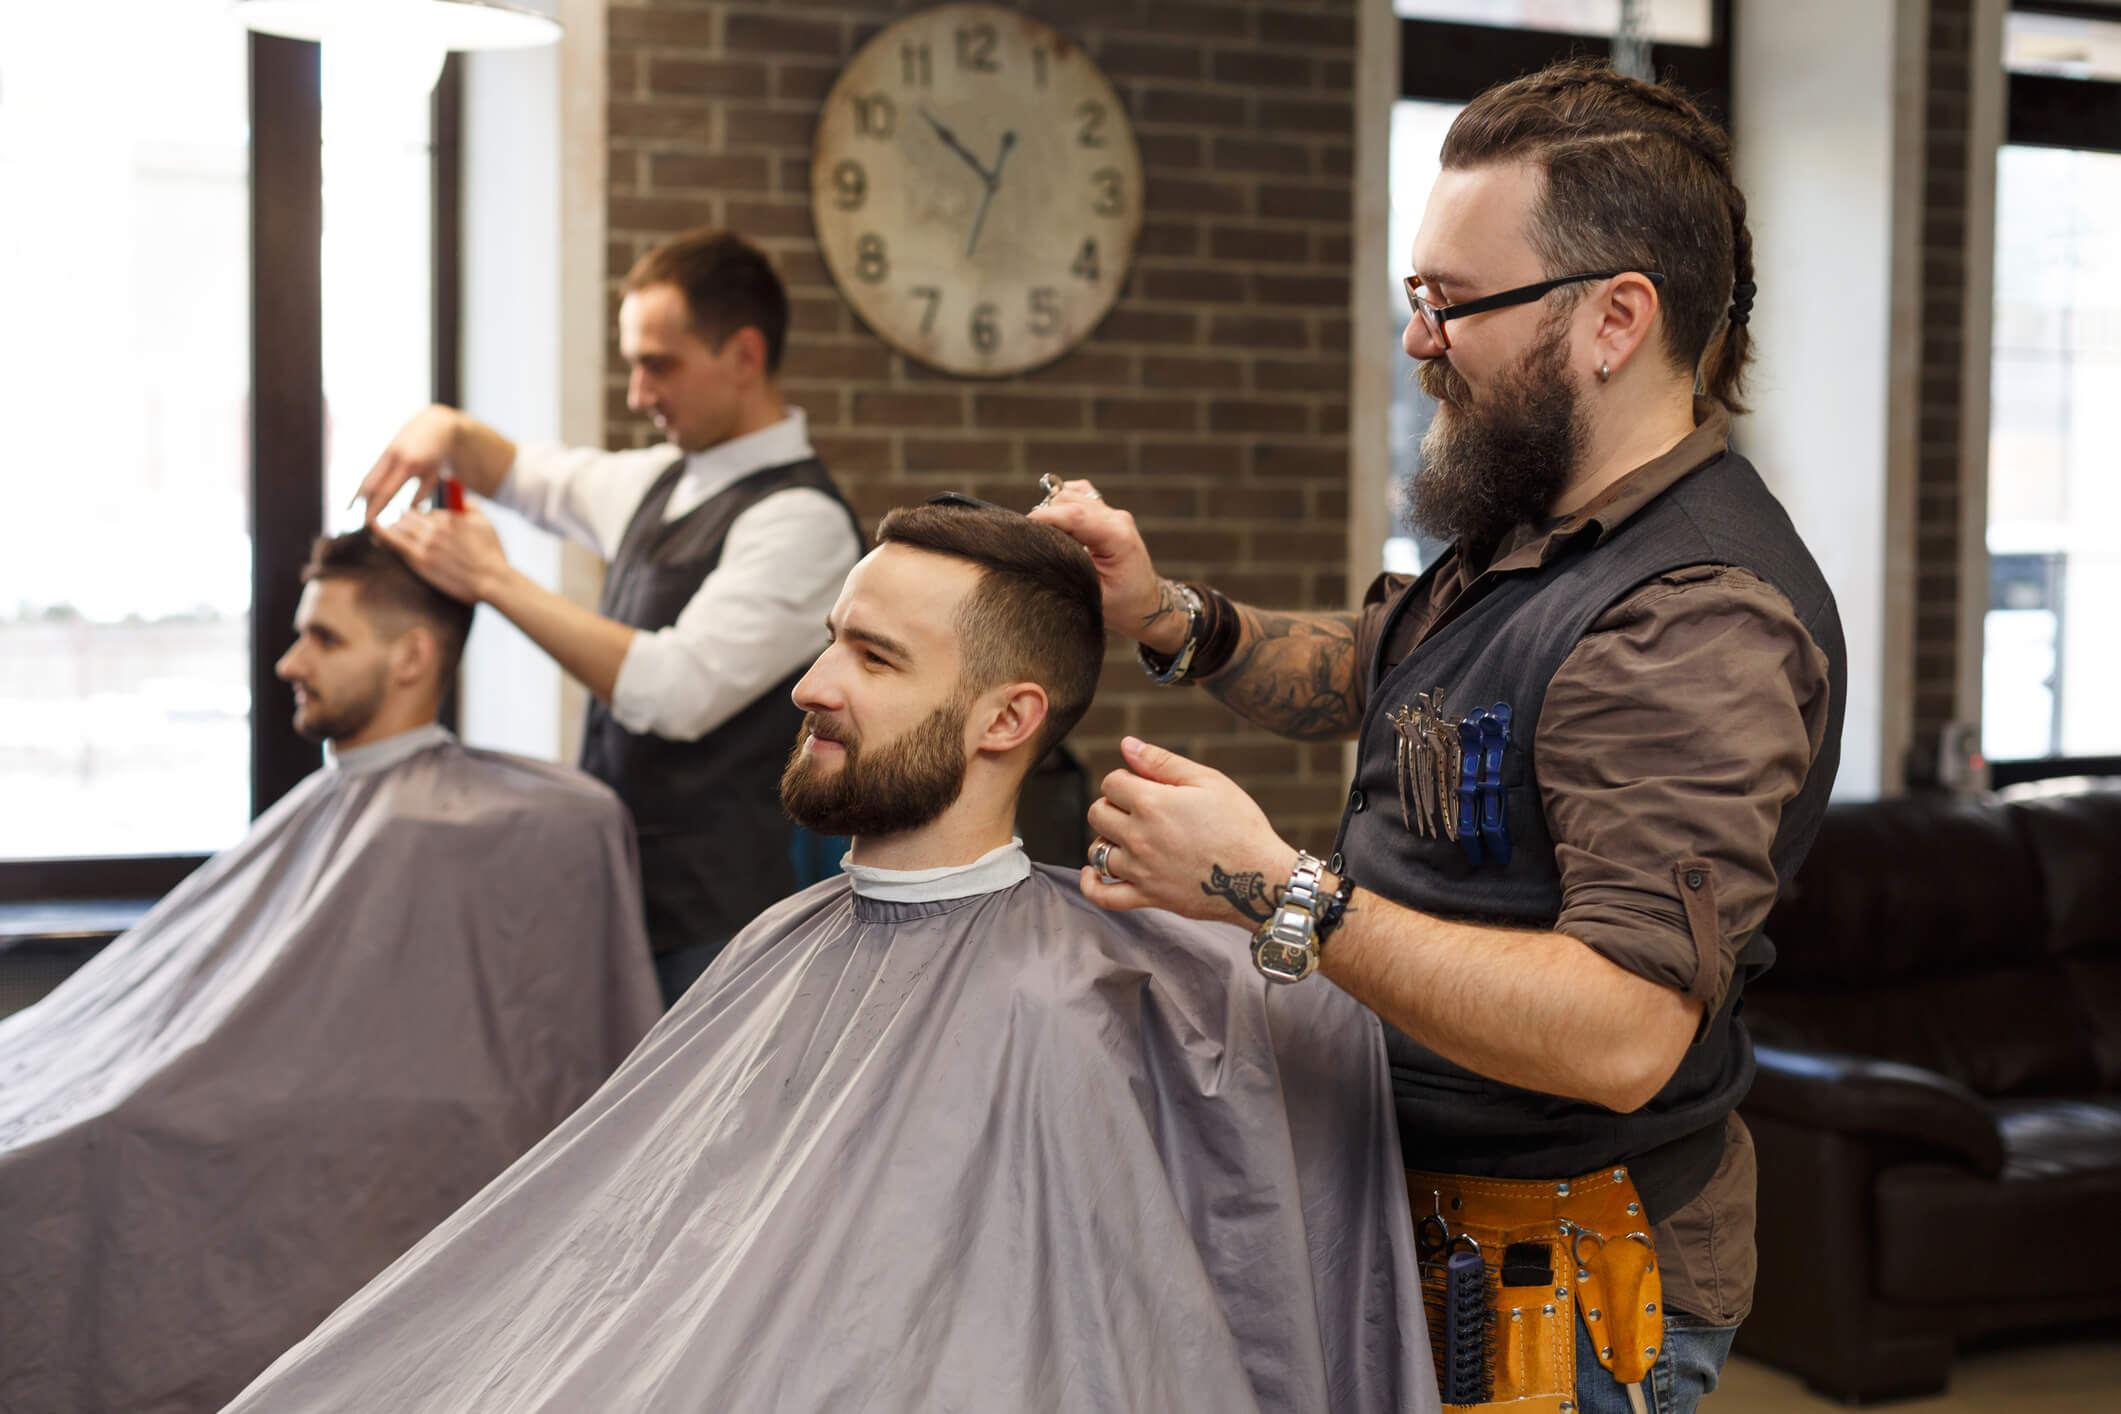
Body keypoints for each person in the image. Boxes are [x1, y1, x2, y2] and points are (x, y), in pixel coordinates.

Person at [221, 504, 1434, 1414]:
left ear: (1007, 718)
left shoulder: (1101, 995)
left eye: (874, 658)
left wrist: (1273, 905)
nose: (812, 685)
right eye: (829, 642)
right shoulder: (779, 943)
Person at [1033, 60, 1846, 1414]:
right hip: (1418, 1222)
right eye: (1420, 298)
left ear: (1613, 319)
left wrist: (1267, 887)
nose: (1418, 341)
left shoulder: (1692, 619)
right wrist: (1166, 614)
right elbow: (1402, 681)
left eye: (1452, 303)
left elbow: (1623, 1029)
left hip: (1565, 1290)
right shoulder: (1538, 528)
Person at [0, 532, 662, 1414]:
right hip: (173, 1096)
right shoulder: (343, 806)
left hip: (288, 1150)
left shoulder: (501, 825)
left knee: (74, 1153)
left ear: (412, 657)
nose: (287, 662)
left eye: (324, 638)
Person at [354, 228, 865, 1004]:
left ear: (745, 355)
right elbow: (524, 474)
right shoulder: (658, 481)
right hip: (625, 899)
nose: (638, 393)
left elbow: (675, 691)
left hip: (721, 920)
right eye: (633, 364)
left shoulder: (800, 522)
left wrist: (495, 579)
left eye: (659, 364)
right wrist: (444, 429)